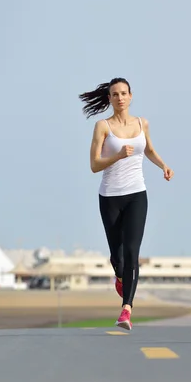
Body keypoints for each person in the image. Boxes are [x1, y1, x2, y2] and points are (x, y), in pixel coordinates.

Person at [79, 77, 174, 330]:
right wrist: (118, 155)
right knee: (117, 257)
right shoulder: (103, 127)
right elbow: (94, 165)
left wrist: (163, 165)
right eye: (115, 94)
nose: (120, 98)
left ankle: (126, 310)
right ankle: (120, 276)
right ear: (109, 99)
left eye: (124, 93)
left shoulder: (142, 124)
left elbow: (149, 150)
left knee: (132, 253)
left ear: (131, 96)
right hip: (110, 197)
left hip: (136, 195)